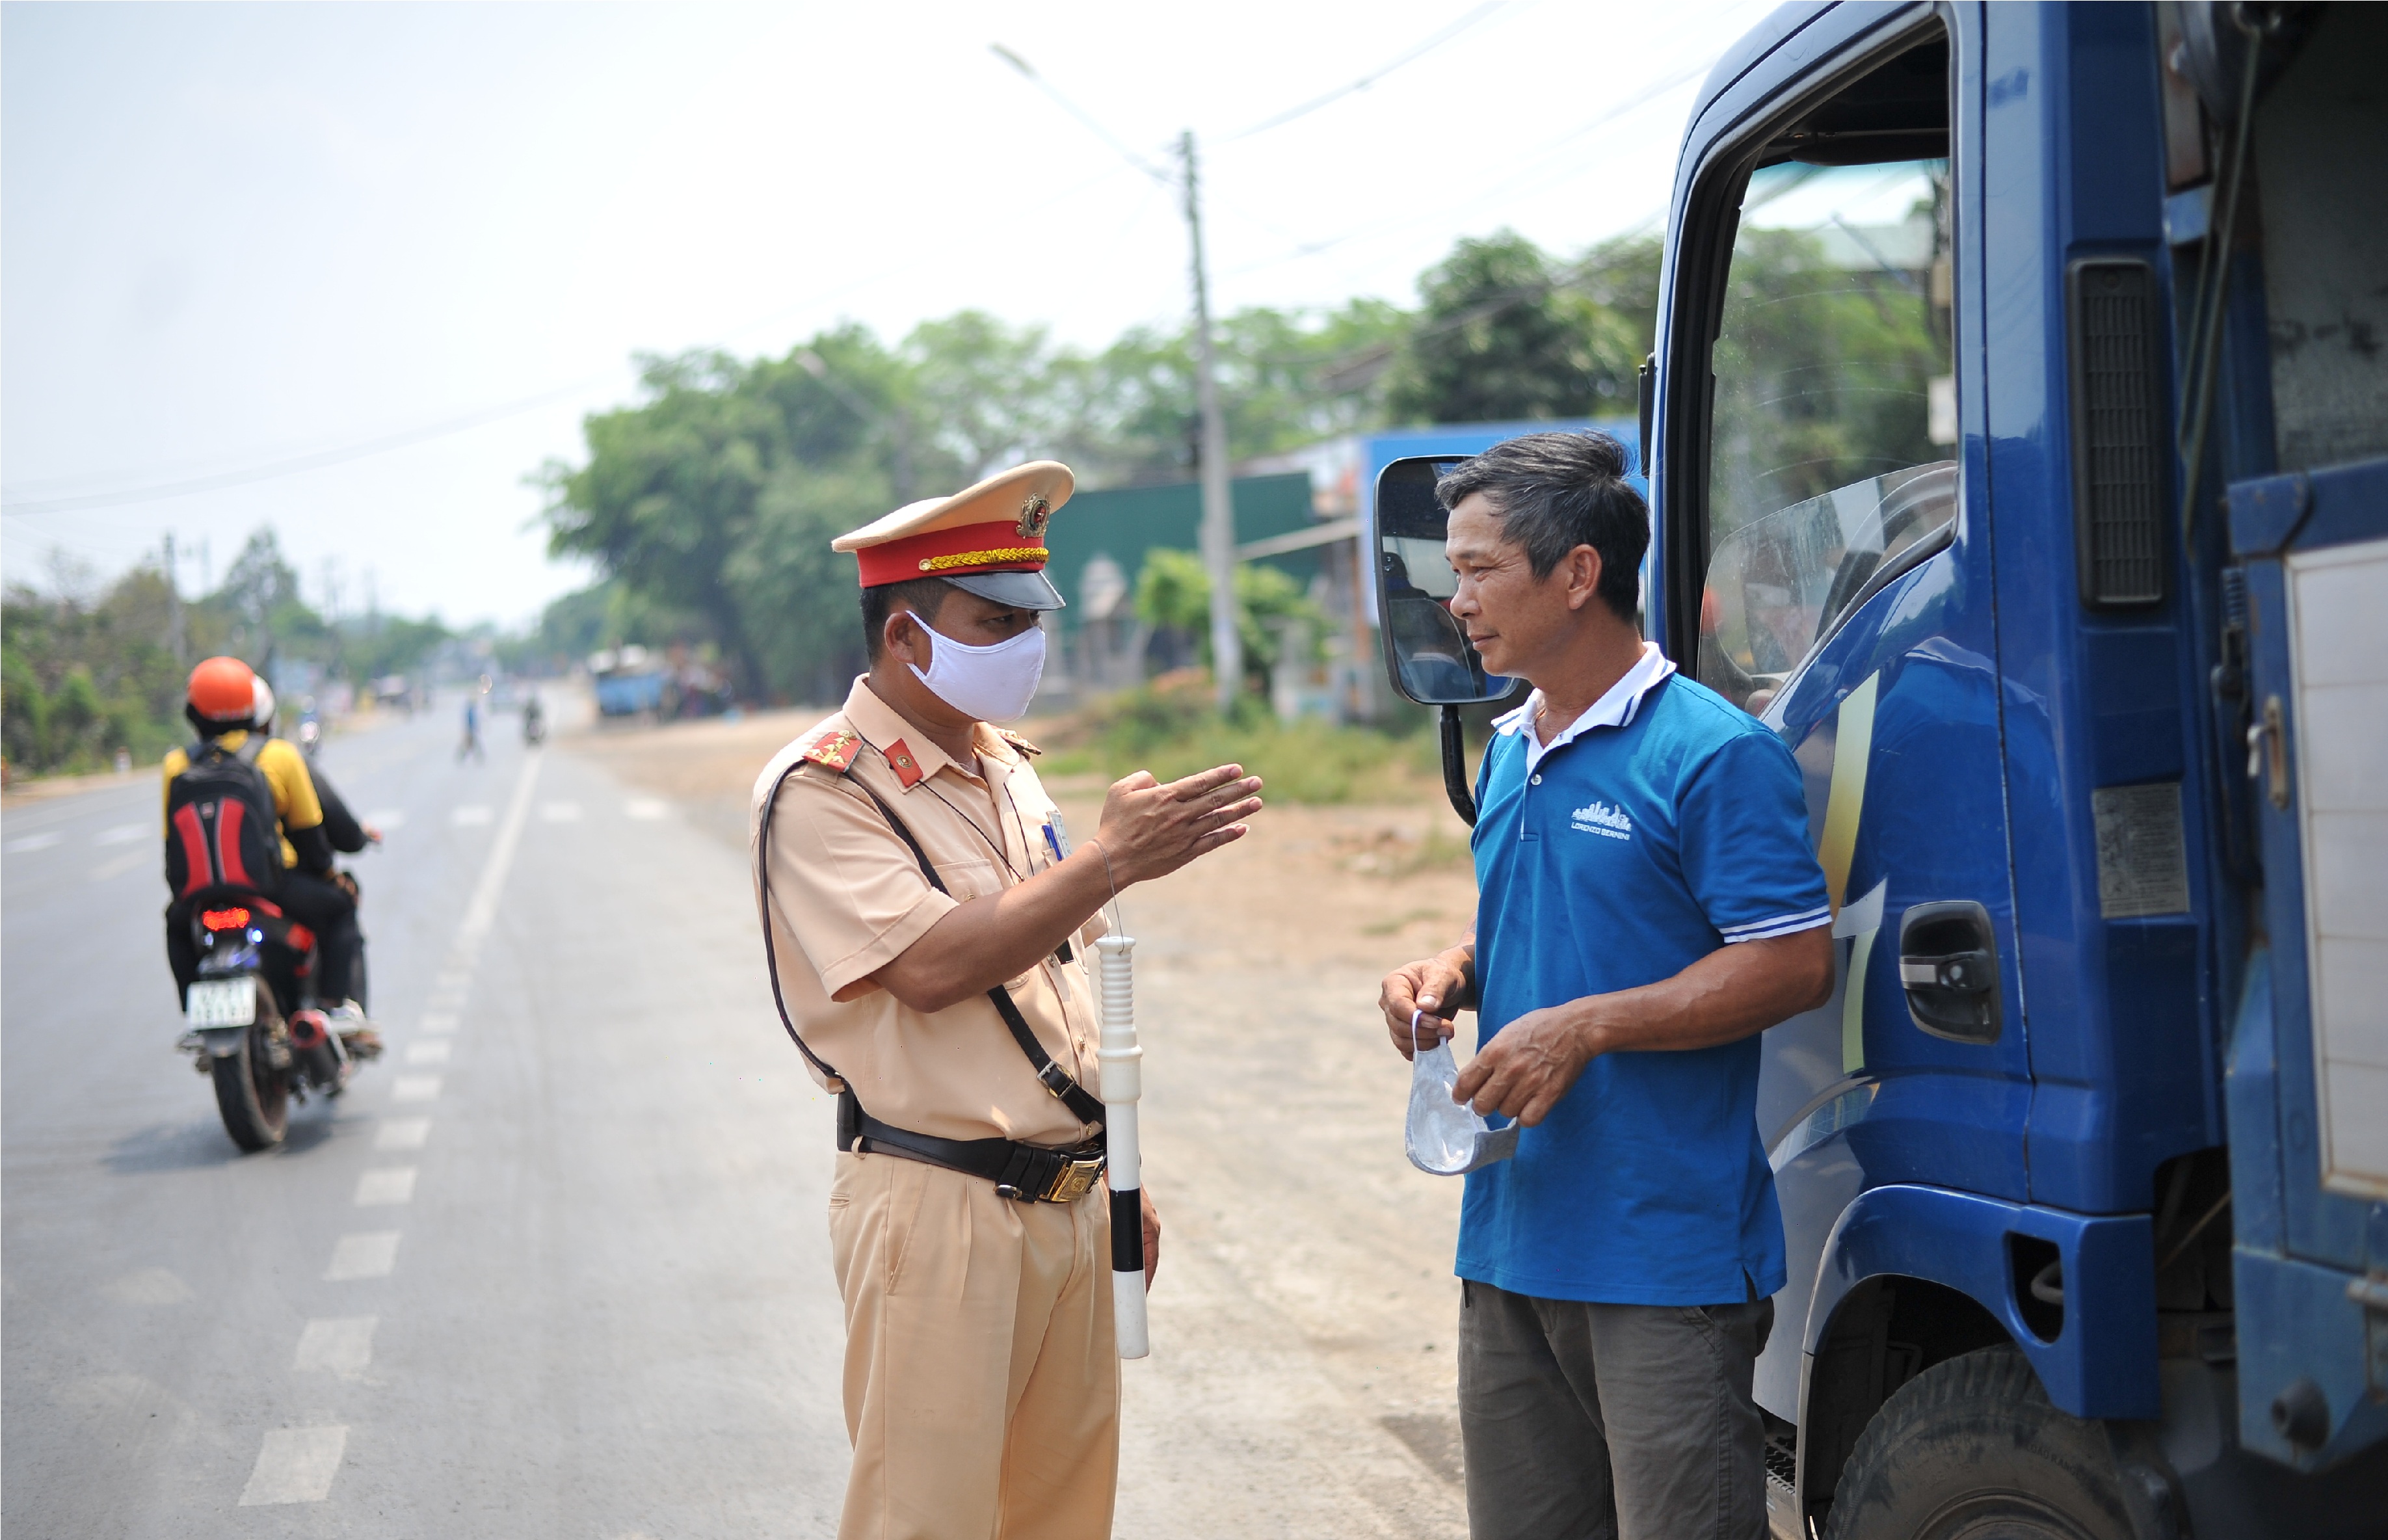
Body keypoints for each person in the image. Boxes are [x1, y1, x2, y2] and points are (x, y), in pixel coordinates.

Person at [750, 460, 1262, 1540]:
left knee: (1060, 1514)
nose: (1025, 649)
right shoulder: (824, 788)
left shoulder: (1002, 768)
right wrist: (1111, 860)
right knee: (925, 1517)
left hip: (1068, 1199)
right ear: (904, 636)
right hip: (939, 1205)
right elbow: (935, 967)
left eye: (1030, 620)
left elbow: (1059, 980)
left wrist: (1117, 1167)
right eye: (993, 623)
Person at [1376, 432, 1834, 1540]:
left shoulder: (1711, 753)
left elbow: (1790, 960)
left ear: (1577, 573)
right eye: (1451, 572)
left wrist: (1584, 1027)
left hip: (1659, 1255)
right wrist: (1451, 969)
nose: (1456, 600)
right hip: (1511, 1239)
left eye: (1479, 569)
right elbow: (1556, 926)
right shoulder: (1513, 748)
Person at [165, 657, 382, 1049]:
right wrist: (331, 877)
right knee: (342, 907)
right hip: (272, 888)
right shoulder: (279, 756)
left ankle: (195, 1013)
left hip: (203, 897)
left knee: (175, 926)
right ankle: (336, 1006)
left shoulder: (176, 764)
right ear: (254, 707)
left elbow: (172, 845)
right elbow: (311, 836)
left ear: (192, 712)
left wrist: (185, 896)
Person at [457, 695, 484, 762]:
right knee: (471, 745)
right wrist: (475, 729)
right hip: (470, 731)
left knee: (470, 745)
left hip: (470, 731)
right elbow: (471, 722)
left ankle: (462, 757)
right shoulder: (471, 711)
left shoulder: (470, 710)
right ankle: (479, 757)